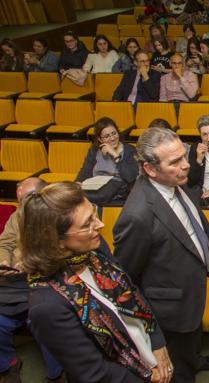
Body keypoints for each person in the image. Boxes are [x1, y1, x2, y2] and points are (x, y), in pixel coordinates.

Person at [22, 182, 173, 383]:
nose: (100, 225)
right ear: (56, 241)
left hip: (146, 354)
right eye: (87, 224)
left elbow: (131, 291)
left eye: (94, 214)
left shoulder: (94, 249)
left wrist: (157, 343)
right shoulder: (47, 305)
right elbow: (95, 373)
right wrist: (148, 378)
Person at [114, 128, 209, 382]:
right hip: (169, 306)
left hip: (190, 287)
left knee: (190, 341)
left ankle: (194, 360)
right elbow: (126, 279)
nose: (186, 166)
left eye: (184, 157)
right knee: (179, 369)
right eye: (175, 162)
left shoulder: (171, 182)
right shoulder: (137, 216)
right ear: (150, 169)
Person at [0, 178, 66, 383]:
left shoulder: (58, 219)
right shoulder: (18, 215)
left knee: (41, 319)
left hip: (44, 281)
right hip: (13, 281)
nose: (23, 207)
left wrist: (28, 265)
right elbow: (6, 242)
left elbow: (61, 256)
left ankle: (57, 374)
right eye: (20, 201)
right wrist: (4, 260)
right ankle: (8, 364)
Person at [76, 117, 138, 205]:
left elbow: (130, 177)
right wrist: (78, 182)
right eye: (106, 136)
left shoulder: (130, 150)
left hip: (117, 191)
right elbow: (86, 170)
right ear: (100, 139)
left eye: (114, 133)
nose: (112, 138)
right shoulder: (94, 150)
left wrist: (115, 155)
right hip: (96, 186)